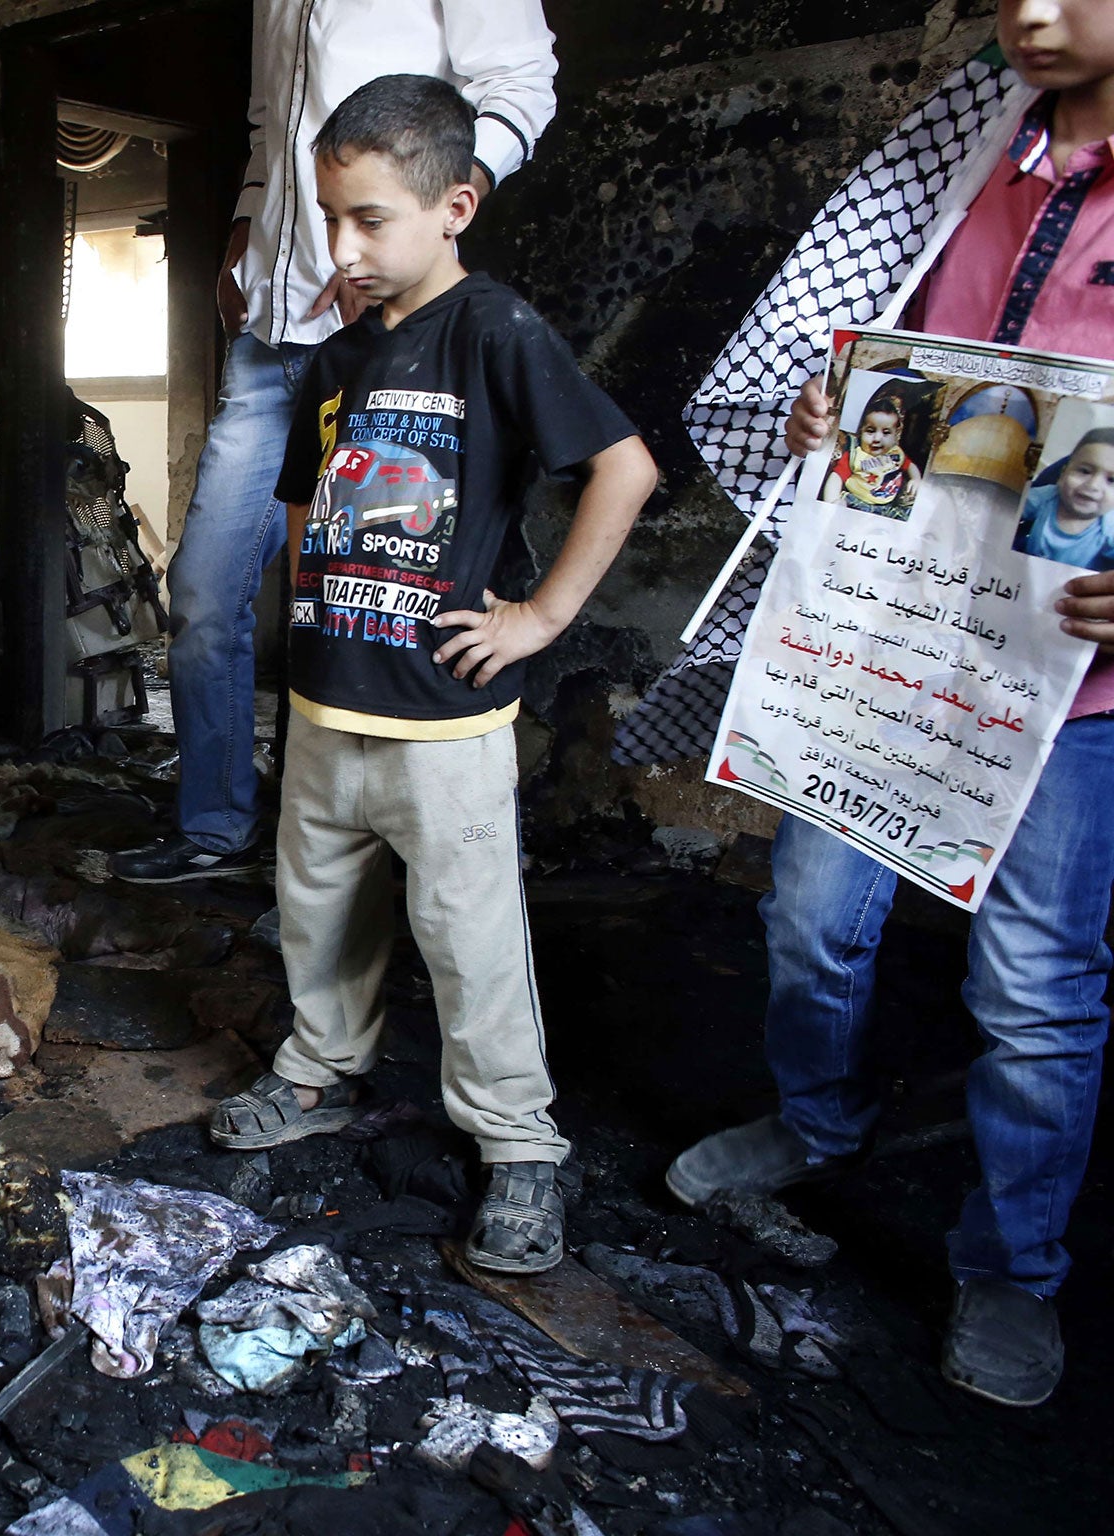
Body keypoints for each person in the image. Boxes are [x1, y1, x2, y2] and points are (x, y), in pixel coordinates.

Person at [666, 0, 1114, 1407]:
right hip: (892, 640)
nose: (1031, 15)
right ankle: (817, 1119)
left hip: (1071, 680)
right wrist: (827, 409)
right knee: (808, 910)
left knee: (1036, 989)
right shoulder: (968, 155)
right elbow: (895, 376)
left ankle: (1012, 1265)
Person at [203, 75, 657, 1277]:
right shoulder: (333, 358)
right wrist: (307, 626)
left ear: (453, 205)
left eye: (370, 220)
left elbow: (622, 466)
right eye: (330, 219)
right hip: (322, 708)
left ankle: (516, 1145)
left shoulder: (493, 331)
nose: (345, 247)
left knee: (467, 937)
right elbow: (307, 508)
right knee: (316, 914)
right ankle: (315, 1072)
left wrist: (541, 615)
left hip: (442, 725)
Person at [111, 0, 558, 884]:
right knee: (203, 592)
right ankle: (216, 827)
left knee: (365, 602)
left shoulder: (490, 322)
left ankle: (356, 872)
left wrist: (417, 237)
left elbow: (521, 86)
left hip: (381, 338)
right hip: (269, 341)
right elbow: (271, 128)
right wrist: (247, 231)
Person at [1015, 428, 1114, 568]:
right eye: (1084, 471)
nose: (1093, 485)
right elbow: (1006, 509)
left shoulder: (1110, 527)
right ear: (1063, 473)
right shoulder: (1046, 498)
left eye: (1112, 480)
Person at [819, 389, 921, 515]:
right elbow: (836, 478)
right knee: (843, 507)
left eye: (886, 432)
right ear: (861, 431)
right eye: (871, 431)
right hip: (858, 502)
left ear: (895, 435)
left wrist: (916, 479)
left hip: (887, 506)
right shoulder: (855, 455)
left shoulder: (896, 453)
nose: (877, 439)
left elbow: (910, 466)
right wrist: (831, 502)